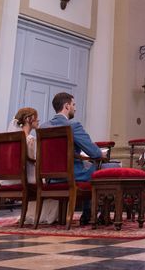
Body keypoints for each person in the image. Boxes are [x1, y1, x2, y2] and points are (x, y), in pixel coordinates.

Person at [40, 92, 108, 225]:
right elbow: (94, 153)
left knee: (91, 168)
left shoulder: (43, 127)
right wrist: (101, 153)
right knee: (108, 168)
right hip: (73, 174)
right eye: (73, 105)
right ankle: (96, 214)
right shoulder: (73, 125)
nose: (75, 108)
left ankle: (88, 214)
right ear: (66, 106)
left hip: (51, 179)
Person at [6, 107, 59, 225]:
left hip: (12, 179)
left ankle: (32, 213)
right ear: (28, 119)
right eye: (36, 117)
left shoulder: (11, 140)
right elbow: (35, 161)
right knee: (55, 184)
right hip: (27, 178)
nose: (38, 120)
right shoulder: (30, 140)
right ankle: (44, 216)